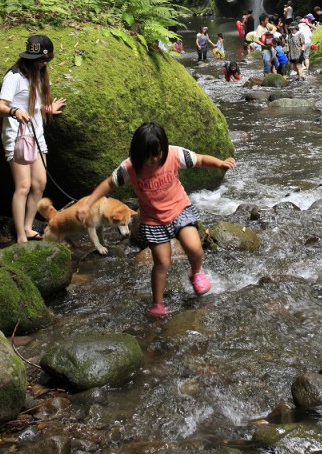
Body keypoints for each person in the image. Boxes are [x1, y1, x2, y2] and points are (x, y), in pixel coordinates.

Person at [77, 122, 235, 316]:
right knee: (162, 262)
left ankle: (196, 273)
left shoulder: (175, 154)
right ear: (137, 154)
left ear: (163, 148)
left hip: (180, 209)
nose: (153, 160)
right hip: (153, 220)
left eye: (157, 154)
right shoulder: (129, 167)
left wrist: (220, 163)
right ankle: (158, 304)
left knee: (194, 248)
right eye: (147, 156)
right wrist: (87, 203)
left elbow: (200, 160)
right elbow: (109, 184)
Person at [0, 34, 66, 244]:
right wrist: (15, 112)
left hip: (36, 134)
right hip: (17, 137)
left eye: (46, 60)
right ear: (28, 57)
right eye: (39, 59)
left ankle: (28, 227)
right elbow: (0, 107)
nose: (43, 63)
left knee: (39, 183)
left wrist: (48, 109)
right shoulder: (14, 76)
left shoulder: (39, 74)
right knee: (24, 186)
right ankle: (20, 236)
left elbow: (33, 105)